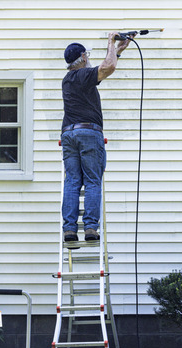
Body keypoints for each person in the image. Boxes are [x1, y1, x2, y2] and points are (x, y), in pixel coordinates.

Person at [61, 32, 130, 244]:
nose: (89, 58)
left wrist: (118, 49)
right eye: (87, 55)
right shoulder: (83, 75)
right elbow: (108, 68)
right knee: (92, 180)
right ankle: (91, 227)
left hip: (69, 134)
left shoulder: (69, 80)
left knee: (72, 181)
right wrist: (110, 41)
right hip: (88, 133)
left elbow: (106, 65)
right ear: (82, 57)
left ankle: (70, 230)